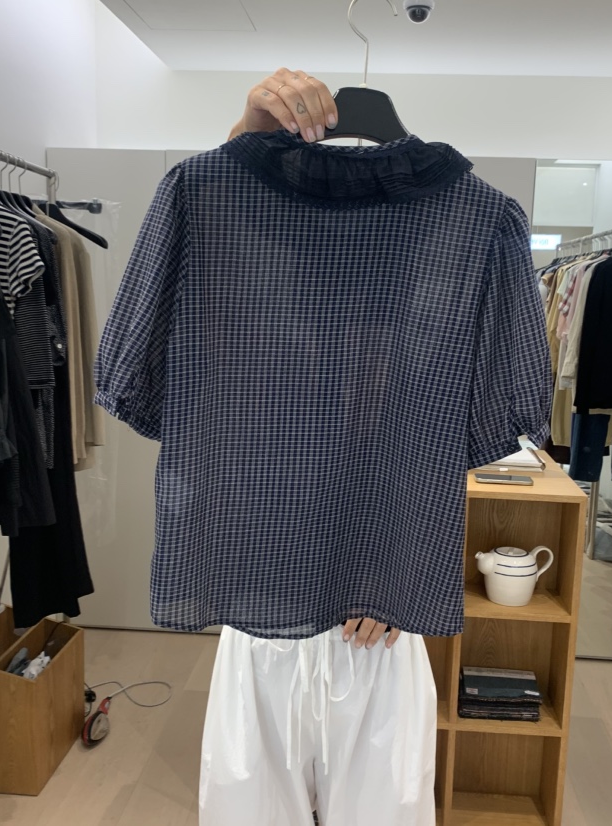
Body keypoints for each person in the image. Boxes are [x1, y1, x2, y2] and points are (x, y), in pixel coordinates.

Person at [198, 68, 438, 826]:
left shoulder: (430, 258)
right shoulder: (243, 286)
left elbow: (439, 443)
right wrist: (246, 137)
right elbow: (207, 229)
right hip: (261, 601)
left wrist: (400, 569)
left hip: (375, 623)